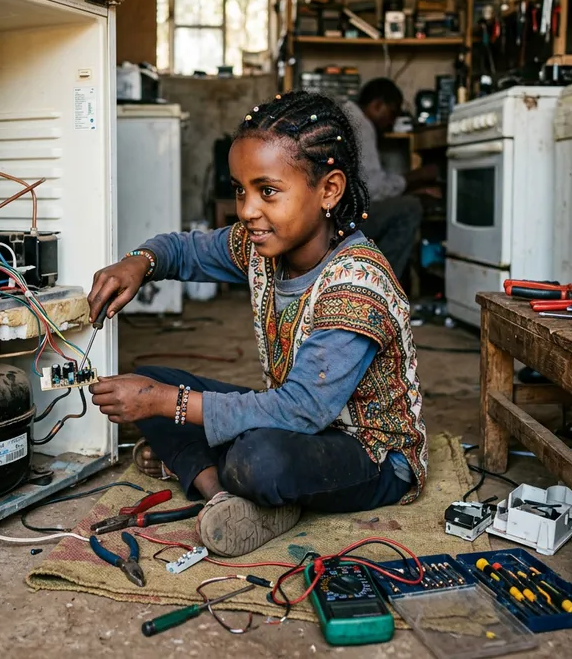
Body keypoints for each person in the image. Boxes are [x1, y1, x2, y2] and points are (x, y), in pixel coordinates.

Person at [88, 91, 427, 558]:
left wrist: (170, 405)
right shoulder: (259, 245)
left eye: (267, 191)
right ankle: (224, 496)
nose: (248, 210)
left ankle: (213, 472)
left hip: (368, 454)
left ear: (329, 189)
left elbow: (301, 410)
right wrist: (139, 263)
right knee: (151, 383)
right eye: (239, 189)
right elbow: (184, 250)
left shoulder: (355, 284)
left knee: (255, 457)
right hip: (293, 421)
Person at [343, 78, 439, 278]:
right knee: (410, 209)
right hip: (343, 217)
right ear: (377, 105)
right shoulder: (360, 124)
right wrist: (418, 176)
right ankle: (380, 285)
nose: (392, 122)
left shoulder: (346, 115)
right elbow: (374, 189)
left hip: (335, 213)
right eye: (392, 113)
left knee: (404, 203)